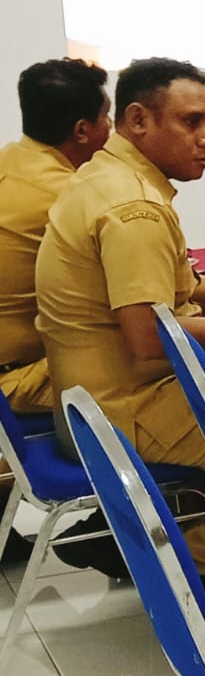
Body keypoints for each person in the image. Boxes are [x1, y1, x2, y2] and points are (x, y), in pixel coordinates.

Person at [36, 57, 205, 472]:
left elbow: (183, 284)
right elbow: (149, 337)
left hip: (90, 402)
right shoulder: (134, 209)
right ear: (137, 120)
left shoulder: (105, 177)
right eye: (192, 122)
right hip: (124, 412)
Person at [0, 59, 112, 413]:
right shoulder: (67, 194)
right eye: (107, 117)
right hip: (22, 377)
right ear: (82, 130)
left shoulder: (11, 159)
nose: (113, 129)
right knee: (167, 360)